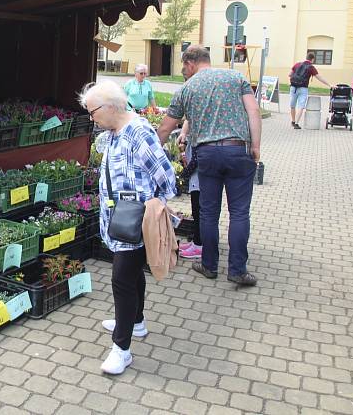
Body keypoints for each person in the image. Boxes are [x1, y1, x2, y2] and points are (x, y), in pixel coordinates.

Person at [78, 79, 176, 375]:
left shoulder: (138, 131)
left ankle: (121, 348)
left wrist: (154, 207)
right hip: (119, 218)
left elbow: (166, 177)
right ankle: (136, 322)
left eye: (92, 112)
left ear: (109, 108)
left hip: (134, 219)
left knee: (122, 280)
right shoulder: (114, 130)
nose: (90, 118)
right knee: (132, 275)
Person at [156, 45, 262, 286]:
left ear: (191, 63)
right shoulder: (236, 77)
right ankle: (237, 270)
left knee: (209, 212)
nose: (184, 71)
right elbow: (253, 111)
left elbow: (165, 127)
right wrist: (255, 146)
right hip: (238, 150)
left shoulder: (188, 87)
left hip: (208, 154)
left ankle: (209, 265)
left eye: (184, 67)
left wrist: (150, 154)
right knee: (239, 213)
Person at [177, 122, 202, 260]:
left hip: (200, 180)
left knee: (199, 213)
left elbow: (196, 160)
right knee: (196, 212)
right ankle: (195, 242)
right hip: (196, 179)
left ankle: (199, 246)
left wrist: (183, 174)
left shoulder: (201, 131)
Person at [288, 52, 332, 129]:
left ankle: (293, 121)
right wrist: (329, 85)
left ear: (306, 57)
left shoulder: (297, 64)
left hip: (293, 87)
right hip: (303, 88)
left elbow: (289, 74)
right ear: (312, 59)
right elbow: (320, 78)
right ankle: (296, 123)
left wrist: (295, 78)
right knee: (301, 106)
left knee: (292, 105)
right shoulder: (311, 67)